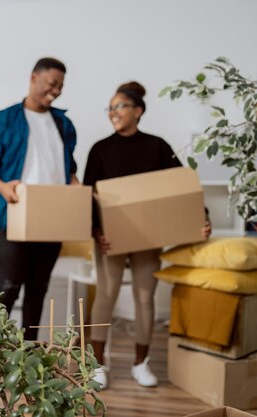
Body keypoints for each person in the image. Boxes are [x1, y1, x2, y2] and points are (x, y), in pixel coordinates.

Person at [83, 81, 211, 389]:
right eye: (110, 107)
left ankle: (141, 363)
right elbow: (88, 195)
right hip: (110, 239)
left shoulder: (157, 146)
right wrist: (96, 231)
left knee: (145, 297)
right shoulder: (101, 149)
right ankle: (98, 365)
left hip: (148, 238)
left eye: (120, 106)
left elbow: (182, 187)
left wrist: (202, 218)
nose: (113, 112)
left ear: (138, 111)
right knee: (106, 295)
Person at [0, 58, 79, 341]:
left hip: (54, 218)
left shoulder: (63, 124)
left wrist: (78, 195)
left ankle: (29, 357)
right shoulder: (3, 120)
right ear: (34, 77)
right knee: (8, 288)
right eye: (52, 84)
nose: (56, 91)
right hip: (15, 213)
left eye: (60, 86)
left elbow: (69, 170)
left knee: (38, 289)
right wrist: (3, 188)